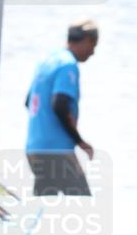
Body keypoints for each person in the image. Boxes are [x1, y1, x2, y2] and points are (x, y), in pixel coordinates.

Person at [25, 20, 98, 195]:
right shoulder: (68, 65)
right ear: (86, 39)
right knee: (82, 205)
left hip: (35, 147)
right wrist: (79, 141)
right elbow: (60, 104)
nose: (93, 52)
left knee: (44, 207)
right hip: (56, 151)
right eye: (93, 45)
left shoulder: (47, 61)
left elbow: (28, 101)